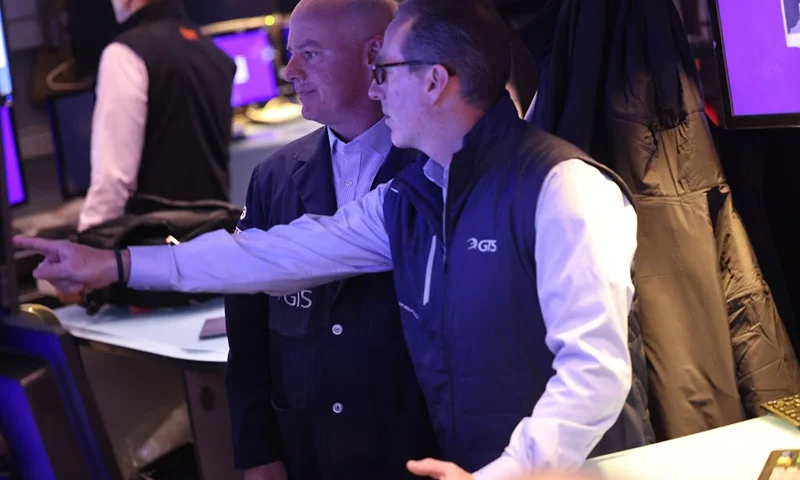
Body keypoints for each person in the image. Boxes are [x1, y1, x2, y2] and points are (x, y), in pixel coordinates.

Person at [15, 0, 638, 477]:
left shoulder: (564, 189)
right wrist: (117, 264)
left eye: (386, 70)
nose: (376, 86)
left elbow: (595, 373)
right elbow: (273, 252)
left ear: (434, 81)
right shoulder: (414, 197)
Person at [223, 0, 438, 479]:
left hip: (419, 456)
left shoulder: (436, 169)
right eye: (289, 52)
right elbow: (248, 334)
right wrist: (258, 456)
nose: (289, 70)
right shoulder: (273, 179)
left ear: (374, 55)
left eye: (310, 54)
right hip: (310, 454)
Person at [78, 0, 235, 232]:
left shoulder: (124, 54)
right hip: (214, 234)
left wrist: (87, 243)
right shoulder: (214, 52)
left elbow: (113, 180)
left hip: (156, 242)